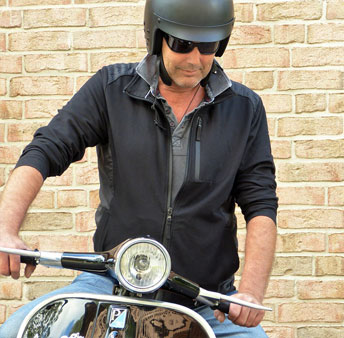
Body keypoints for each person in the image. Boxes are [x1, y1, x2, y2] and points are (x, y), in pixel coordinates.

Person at [0, 0, 278, 336]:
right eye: (182, 44)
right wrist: (5, 228)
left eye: (208, 46)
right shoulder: (111, 90)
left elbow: (260, 203)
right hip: (111, 281)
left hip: (205, 297)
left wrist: (250, 292)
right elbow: (46, 150)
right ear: (157, 36)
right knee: (14, 330)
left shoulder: (245, 109)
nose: (195, 59)